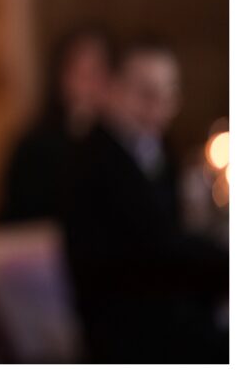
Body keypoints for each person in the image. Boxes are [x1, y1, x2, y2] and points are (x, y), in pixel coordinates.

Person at [62, 39, 228, 362]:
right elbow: (158, 246)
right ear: (112, 89)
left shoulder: (160, 152)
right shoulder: (94, 160)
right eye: (145, 94)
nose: (159, 107)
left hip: (167, 307)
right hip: (128, 329)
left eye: (168, 95)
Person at [0, 26, 113, 223]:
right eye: (83, 74)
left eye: (100, 72)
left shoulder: (121, 139)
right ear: (62, 78)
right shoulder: (35, 146)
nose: (93, 84)